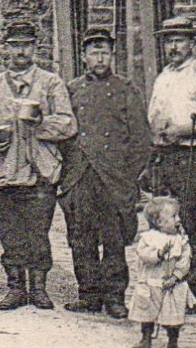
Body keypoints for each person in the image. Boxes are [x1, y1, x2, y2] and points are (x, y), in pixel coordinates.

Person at [0, 21, 77, 311]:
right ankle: (15, 288)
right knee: (10, 235)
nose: (20, 51)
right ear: (5, 49)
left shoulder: (50, 83)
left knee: (38, 232)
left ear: (34, 48)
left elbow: (67, 124)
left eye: (26, 45)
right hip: (2, 173)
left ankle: (38, 288)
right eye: (15, 45)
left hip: (40, 173)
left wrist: (40, 125)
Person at [59, 27, 149, 319]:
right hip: (80, 175)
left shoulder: (126, 90)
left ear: (112, 56)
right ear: (84, 57)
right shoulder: (71, 90)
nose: (100, 57)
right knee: (81, 237)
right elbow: (61, 133)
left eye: (105, 52)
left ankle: (114, 297)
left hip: (113, 177)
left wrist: (128, 174)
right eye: (94, 52)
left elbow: (140, 139)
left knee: (114, 239)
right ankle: (88, 294)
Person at [145, 15, 196, 312]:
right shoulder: (163, 76)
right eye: (169, 40)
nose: (174, 46)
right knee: (164, 222)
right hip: (166, 156)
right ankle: (170, 287)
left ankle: (195, 295)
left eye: (179, 40)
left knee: (192, 224)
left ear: (193, 43)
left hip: (195, 156)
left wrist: (185, 129)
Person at [130, 195, 192, 348]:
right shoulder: (148, 238)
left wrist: (176, 276)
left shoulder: (181, 240)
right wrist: (158, 253)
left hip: (172, 285)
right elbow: (144, 255)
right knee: (147, 312)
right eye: (173, 216)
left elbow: (185, 261)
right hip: (151, 283)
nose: (178, 219)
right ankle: (145, 338)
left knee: (173, 316)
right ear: (159, 223)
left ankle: (172, 343)